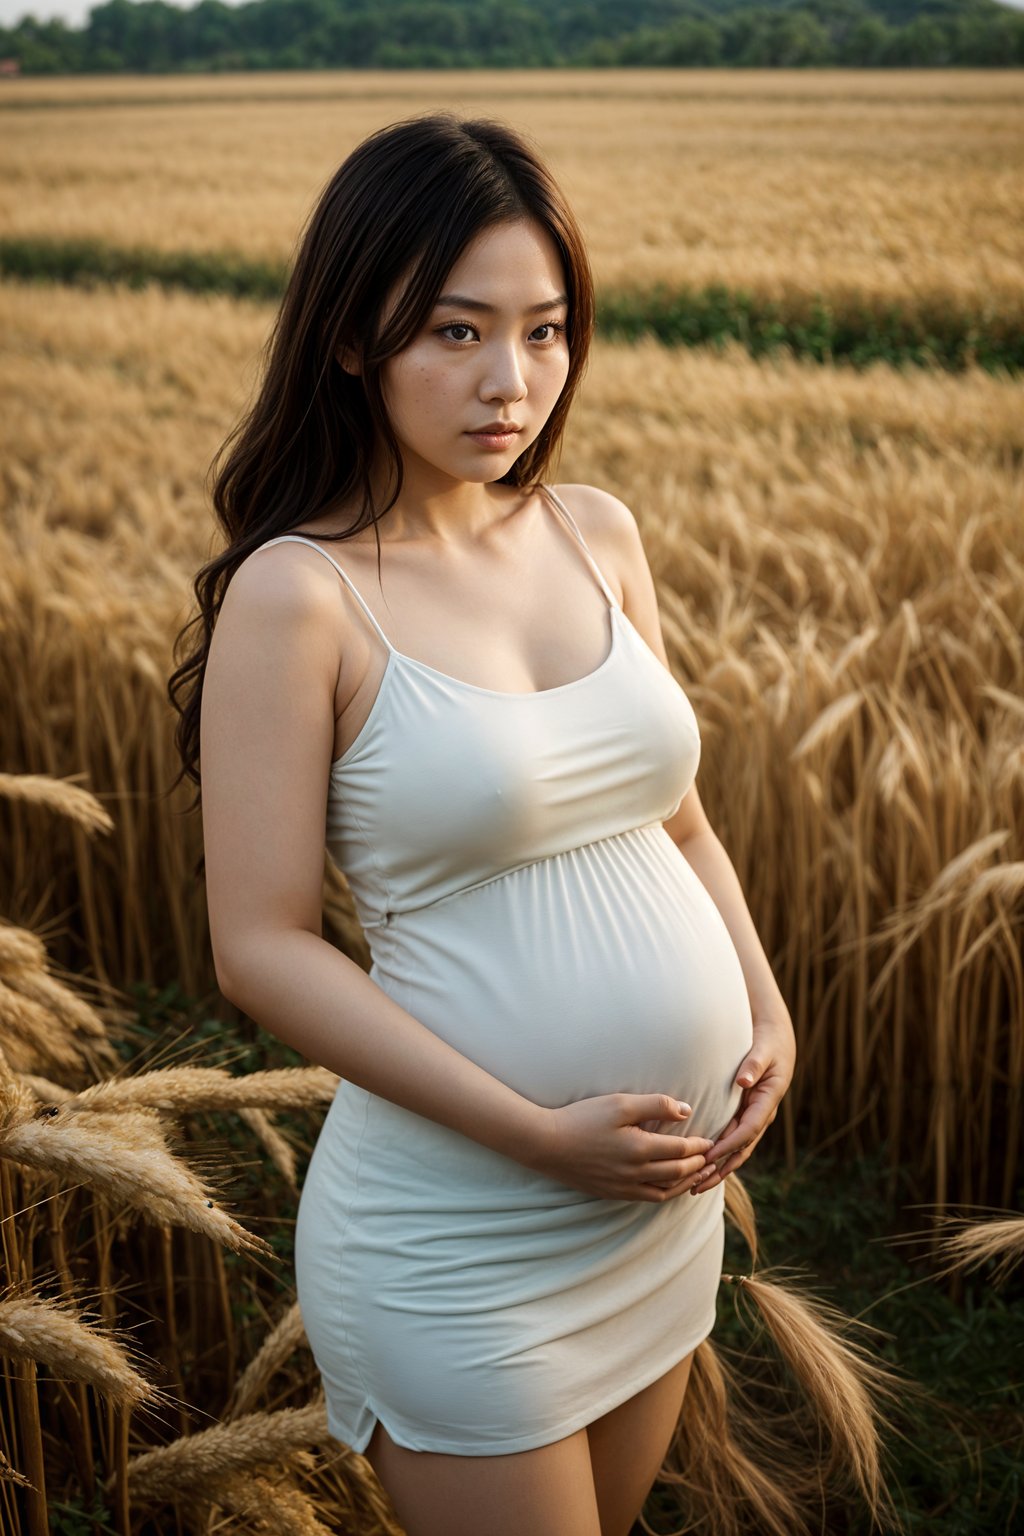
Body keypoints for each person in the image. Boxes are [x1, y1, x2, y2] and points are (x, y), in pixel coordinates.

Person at [170, 113, 797, 1536]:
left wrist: (770, 1012)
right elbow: (259, 952)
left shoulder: (596, 532)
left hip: (653, 1214)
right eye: (454, 333)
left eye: (544, 329)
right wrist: (535, 1135)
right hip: (463, 1234)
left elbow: (679, 825)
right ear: (353, 340)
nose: (508, 382)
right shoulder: (303, 593)